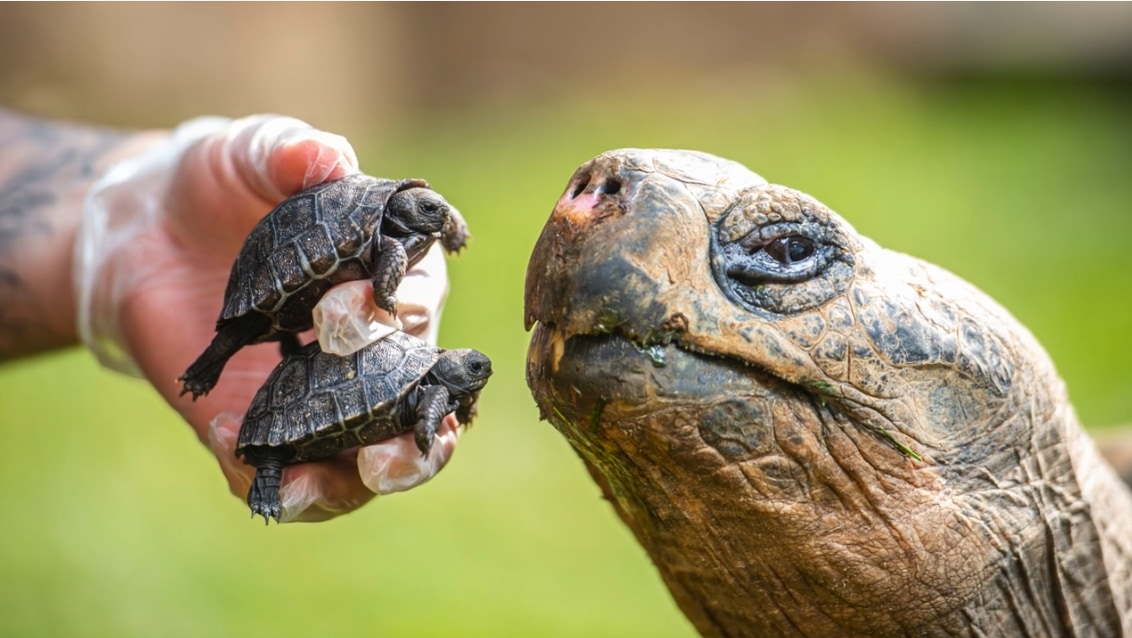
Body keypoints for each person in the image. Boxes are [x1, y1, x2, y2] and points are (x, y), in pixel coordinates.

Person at [0, 108, 461, 522]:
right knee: (239, 331)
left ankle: (267, 452)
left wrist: (129, 214)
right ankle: (207, 368)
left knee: (267, 340)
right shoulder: (388, 237)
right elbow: (387, 274)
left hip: (307, 308)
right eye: (426, 208)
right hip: (286, 262)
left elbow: (433, 220)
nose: (436, 217)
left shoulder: (407, 228)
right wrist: (388, 299)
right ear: (399, 204)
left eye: (439, 214)